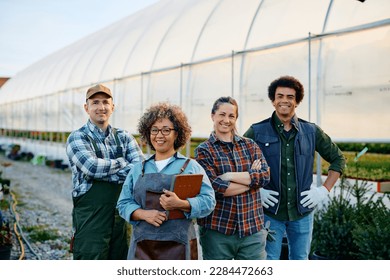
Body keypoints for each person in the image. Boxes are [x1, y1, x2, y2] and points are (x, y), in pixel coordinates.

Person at [243, 75, 346, 260]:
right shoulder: (257, 131)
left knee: (300, 260)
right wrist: (255, 190)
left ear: (297, 101)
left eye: (290, 97)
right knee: (269, 261)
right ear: (273, 101)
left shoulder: (311, 131)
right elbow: (237, 161)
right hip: (270, 212)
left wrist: (324, 190)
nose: (285, 100)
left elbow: (338, 159)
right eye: (280, 96)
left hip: (302, 212)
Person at [117, 102, 215, 260]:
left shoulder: (191, 167)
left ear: (177, 134)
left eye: (166, 130)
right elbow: (123, 203)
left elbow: (209, 201)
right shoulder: (138, 169)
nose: (159, 135)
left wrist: (182, 204)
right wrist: (143, 214)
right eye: (154, 130)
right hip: (142, 247)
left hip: (180, 245)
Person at [66, 84, 144, 260]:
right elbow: (92, 167)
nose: (101, 107)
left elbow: (140, 170)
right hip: (91, 217)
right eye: (95, 102)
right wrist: (122, 162)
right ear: (87, 108)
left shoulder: (124, 137)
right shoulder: (78, 137)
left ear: (112, 107)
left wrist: (105, 171)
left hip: (122, 216)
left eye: (105, 102)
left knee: (121, 260)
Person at [194, 96, 270, 260]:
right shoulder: (204, 150)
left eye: (231, 116)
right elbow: (216, 188)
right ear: (213, 115)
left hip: (252, 230)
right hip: (218, 232)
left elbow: (264, 176)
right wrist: (251, 180)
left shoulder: (250, 145)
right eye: (222, 114)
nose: (226, 120)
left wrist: (229, 176)